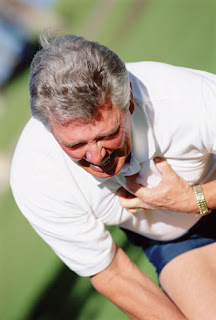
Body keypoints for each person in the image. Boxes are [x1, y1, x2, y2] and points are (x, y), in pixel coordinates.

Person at [10, 32, 216, 319]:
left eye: (106, 135)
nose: (96, 157)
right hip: (178, 240)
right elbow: (111, 271)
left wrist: (196, 199)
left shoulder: (187, 97)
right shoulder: (35, 176)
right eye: (75, 145)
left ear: (129, 101)